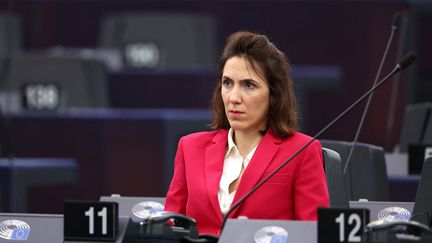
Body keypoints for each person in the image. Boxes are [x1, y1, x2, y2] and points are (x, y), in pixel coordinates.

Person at [165, 31, 329, 236]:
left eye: (248, 85)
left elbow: (315, 235)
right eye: (227, 83)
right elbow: (169, 229)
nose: (233, 97)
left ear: (274, 95)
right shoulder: (189, 147)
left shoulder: (302, 151)